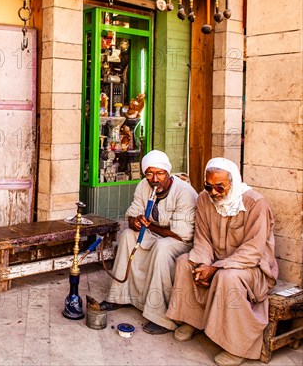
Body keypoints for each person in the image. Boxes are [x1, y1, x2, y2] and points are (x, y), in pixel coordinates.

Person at [167, 158, 279, 366]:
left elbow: (253, 251)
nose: (215, 193)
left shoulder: (255, 203)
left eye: (220, 187)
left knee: (227, 277)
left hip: (250, 267)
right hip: (215, 261)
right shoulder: (203, 199)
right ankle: (192, 320)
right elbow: (202, 239)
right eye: (209, 187)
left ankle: (236, 347)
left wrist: (215, 267)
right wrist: (202, 264)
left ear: (233, 182)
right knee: (185, 262)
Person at [99, 150, 198, 335]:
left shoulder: (185, 192)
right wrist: (135, 221)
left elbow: (180, 235)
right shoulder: (143, 186)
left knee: (162, 247)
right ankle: (118, 296)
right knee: (128, 235)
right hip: (157, 235)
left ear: (168, 173)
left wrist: (150, 226)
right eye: (150, 173)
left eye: (160, 173)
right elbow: (131, 215)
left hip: (181, 242)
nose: (155, 179)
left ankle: (160, 316)